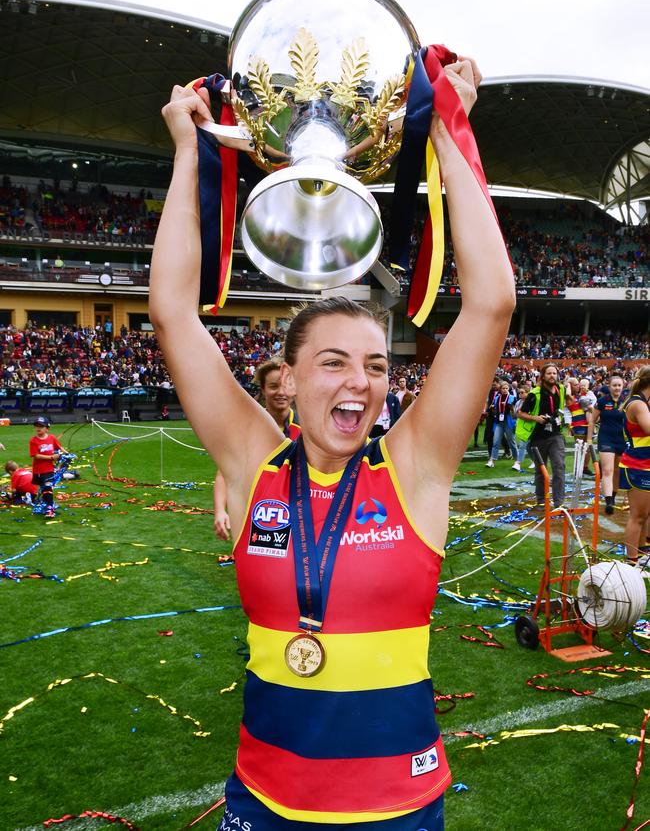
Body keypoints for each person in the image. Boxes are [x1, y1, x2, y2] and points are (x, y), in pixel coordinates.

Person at [149, 56, 514, 829]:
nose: (361, 382)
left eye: (377, 366)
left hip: (400, 809)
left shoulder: (413, 466)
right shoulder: (254, 464)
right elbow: (174, 312)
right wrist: (188, 150)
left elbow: (491, 303)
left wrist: (446, 128)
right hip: (265, 804)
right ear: (288, 376)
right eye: (335, 362)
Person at [214, 357, 300, 540]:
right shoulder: (248, 429)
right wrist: (220, 510)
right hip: (257, 512)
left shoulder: (308, 429)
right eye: (273, 386)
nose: (281, 392)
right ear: (263, 389)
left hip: (299, 513)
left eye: (286, 385)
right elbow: (224, 473)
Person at [517, 364, 566, 508]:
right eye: (549, 373)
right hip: (538, 436)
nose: (552, 376)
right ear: (543, 376)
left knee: (559, 467)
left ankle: (559, 502)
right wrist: (536, 418)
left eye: (554, 373)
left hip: (556, 434)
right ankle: (541, 500)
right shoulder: (535, 393)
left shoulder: (560, 389)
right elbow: (520, 413)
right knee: (540, 470)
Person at [618, 366, 650, 566]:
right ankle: (631, 562)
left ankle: (642, 552)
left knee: (646, 514)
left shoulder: (643, 403)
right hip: (638, 465)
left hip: (644, 463)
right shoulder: (637, 404)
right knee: (638, 516)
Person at [590, 374, 626, 514]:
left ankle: (614, 494)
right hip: (606, 438)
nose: (617, 388)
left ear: (623, 387)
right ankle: (609, 501)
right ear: (609, 386)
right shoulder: (602, 401)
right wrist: (588, 439)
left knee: (617, 471)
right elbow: (592, 420)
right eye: (614, 385)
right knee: (607, 470)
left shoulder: (627, 401)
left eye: (619, 385)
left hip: (622, 440)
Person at [29, 415, 66, 519]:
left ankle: (50, 509)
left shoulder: (52, 438)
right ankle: (44, 503)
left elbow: (59, 447)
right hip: (39, 470)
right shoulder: (33, 441)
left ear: (47, 428)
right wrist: (51, 457)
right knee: (44, 488)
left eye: (41, 426)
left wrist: (68, 454)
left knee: (48, 487)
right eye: (36, 426)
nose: (38, 428)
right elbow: (36, 455)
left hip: (49, 469)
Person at [485, 380, 517, 469]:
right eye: (503, 388)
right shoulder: (497, 398)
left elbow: (515, 413)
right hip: (499, 421)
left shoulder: (512, 397)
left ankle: (517, 461)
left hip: (508, 421)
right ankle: (492, 460)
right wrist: (492, 409)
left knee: (512, 442)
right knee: (495, 441)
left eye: (506, 388)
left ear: (509, 388)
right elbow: (493, 409)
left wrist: (511, 408)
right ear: (500, 389)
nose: (505, 390)